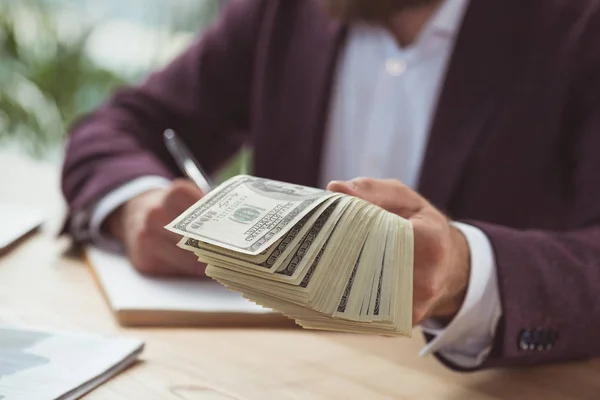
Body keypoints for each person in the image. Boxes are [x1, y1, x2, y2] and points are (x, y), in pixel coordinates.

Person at [60, 0, 600, 371]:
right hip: (278, 379)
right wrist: (137, 208)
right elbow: (117, 125)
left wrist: (465, 271)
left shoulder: (579, 27)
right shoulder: (288, 11)